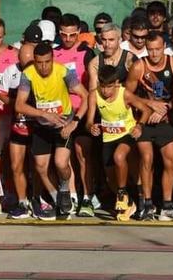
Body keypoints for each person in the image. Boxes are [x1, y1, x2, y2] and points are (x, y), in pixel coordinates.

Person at [14, 42, 89, 220]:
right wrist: (43, 114)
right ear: (35, 61)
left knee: (61, 163)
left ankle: (64, 188)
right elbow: (19, 105)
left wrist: (75, 123)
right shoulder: (28, 75)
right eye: (39, 62)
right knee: (40, 167)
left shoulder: (63, 72)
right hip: (42, 125)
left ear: (53, 59)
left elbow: (85, 96)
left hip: (64, 124)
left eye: (47, 62)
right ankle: (57, 199)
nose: (43, 66)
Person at [125, 31, 173, 221]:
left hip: (166, 120)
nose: (154, 54)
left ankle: (167, 205)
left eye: (157, 49)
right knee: (147, 159)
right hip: (143, 120)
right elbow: (126, 95)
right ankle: (147, 203)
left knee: (171, 160)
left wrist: (165, 108)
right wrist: (150, 105)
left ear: (164, 47)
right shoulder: (138, 67)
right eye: (150, 50)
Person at [88, 65, 151, 221]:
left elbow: (146, 110)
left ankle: (122, 193)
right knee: (110, 179)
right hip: (108, 137)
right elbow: (88, 121)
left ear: (116, 83)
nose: (106, 91)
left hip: (127, 134)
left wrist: (139, 126)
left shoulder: (125, 94)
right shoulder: (93, 95)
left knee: (119, 156)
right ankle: (129, 203)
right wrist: (92, 127)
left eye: (109, 87)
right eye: (102, 86)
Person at [53, 14, 97, 216]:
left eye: (72, 35)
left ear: (79, 32)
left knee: (83, 154)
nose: (68, 39)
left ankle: (88, 197)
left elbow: (92, 87)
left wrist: (88, 114)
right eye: (64, 35)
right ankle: (70, 195)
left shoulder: (87, 53)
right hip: (62, 114)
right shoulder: (55, 54)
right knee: (64, 157)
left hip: (84, 109)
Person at [0, 25, 40, 219]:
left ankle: (38, 199)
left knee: (38, 165)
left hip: (38, 127)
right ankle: (22, 201)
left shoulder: (42, 72)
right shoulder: (10, 71)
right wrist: (15, 104)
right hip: (18, 126)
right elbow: (1, 93)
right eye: (22, 62)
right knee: (17, 165)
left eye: (29, 62)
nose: (25, 66)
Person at [0, 17, 20, 216]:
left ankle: (15, 193)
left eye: (0, 37)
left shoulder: (13, 54)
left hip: (11, 115)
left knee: (14, 157)